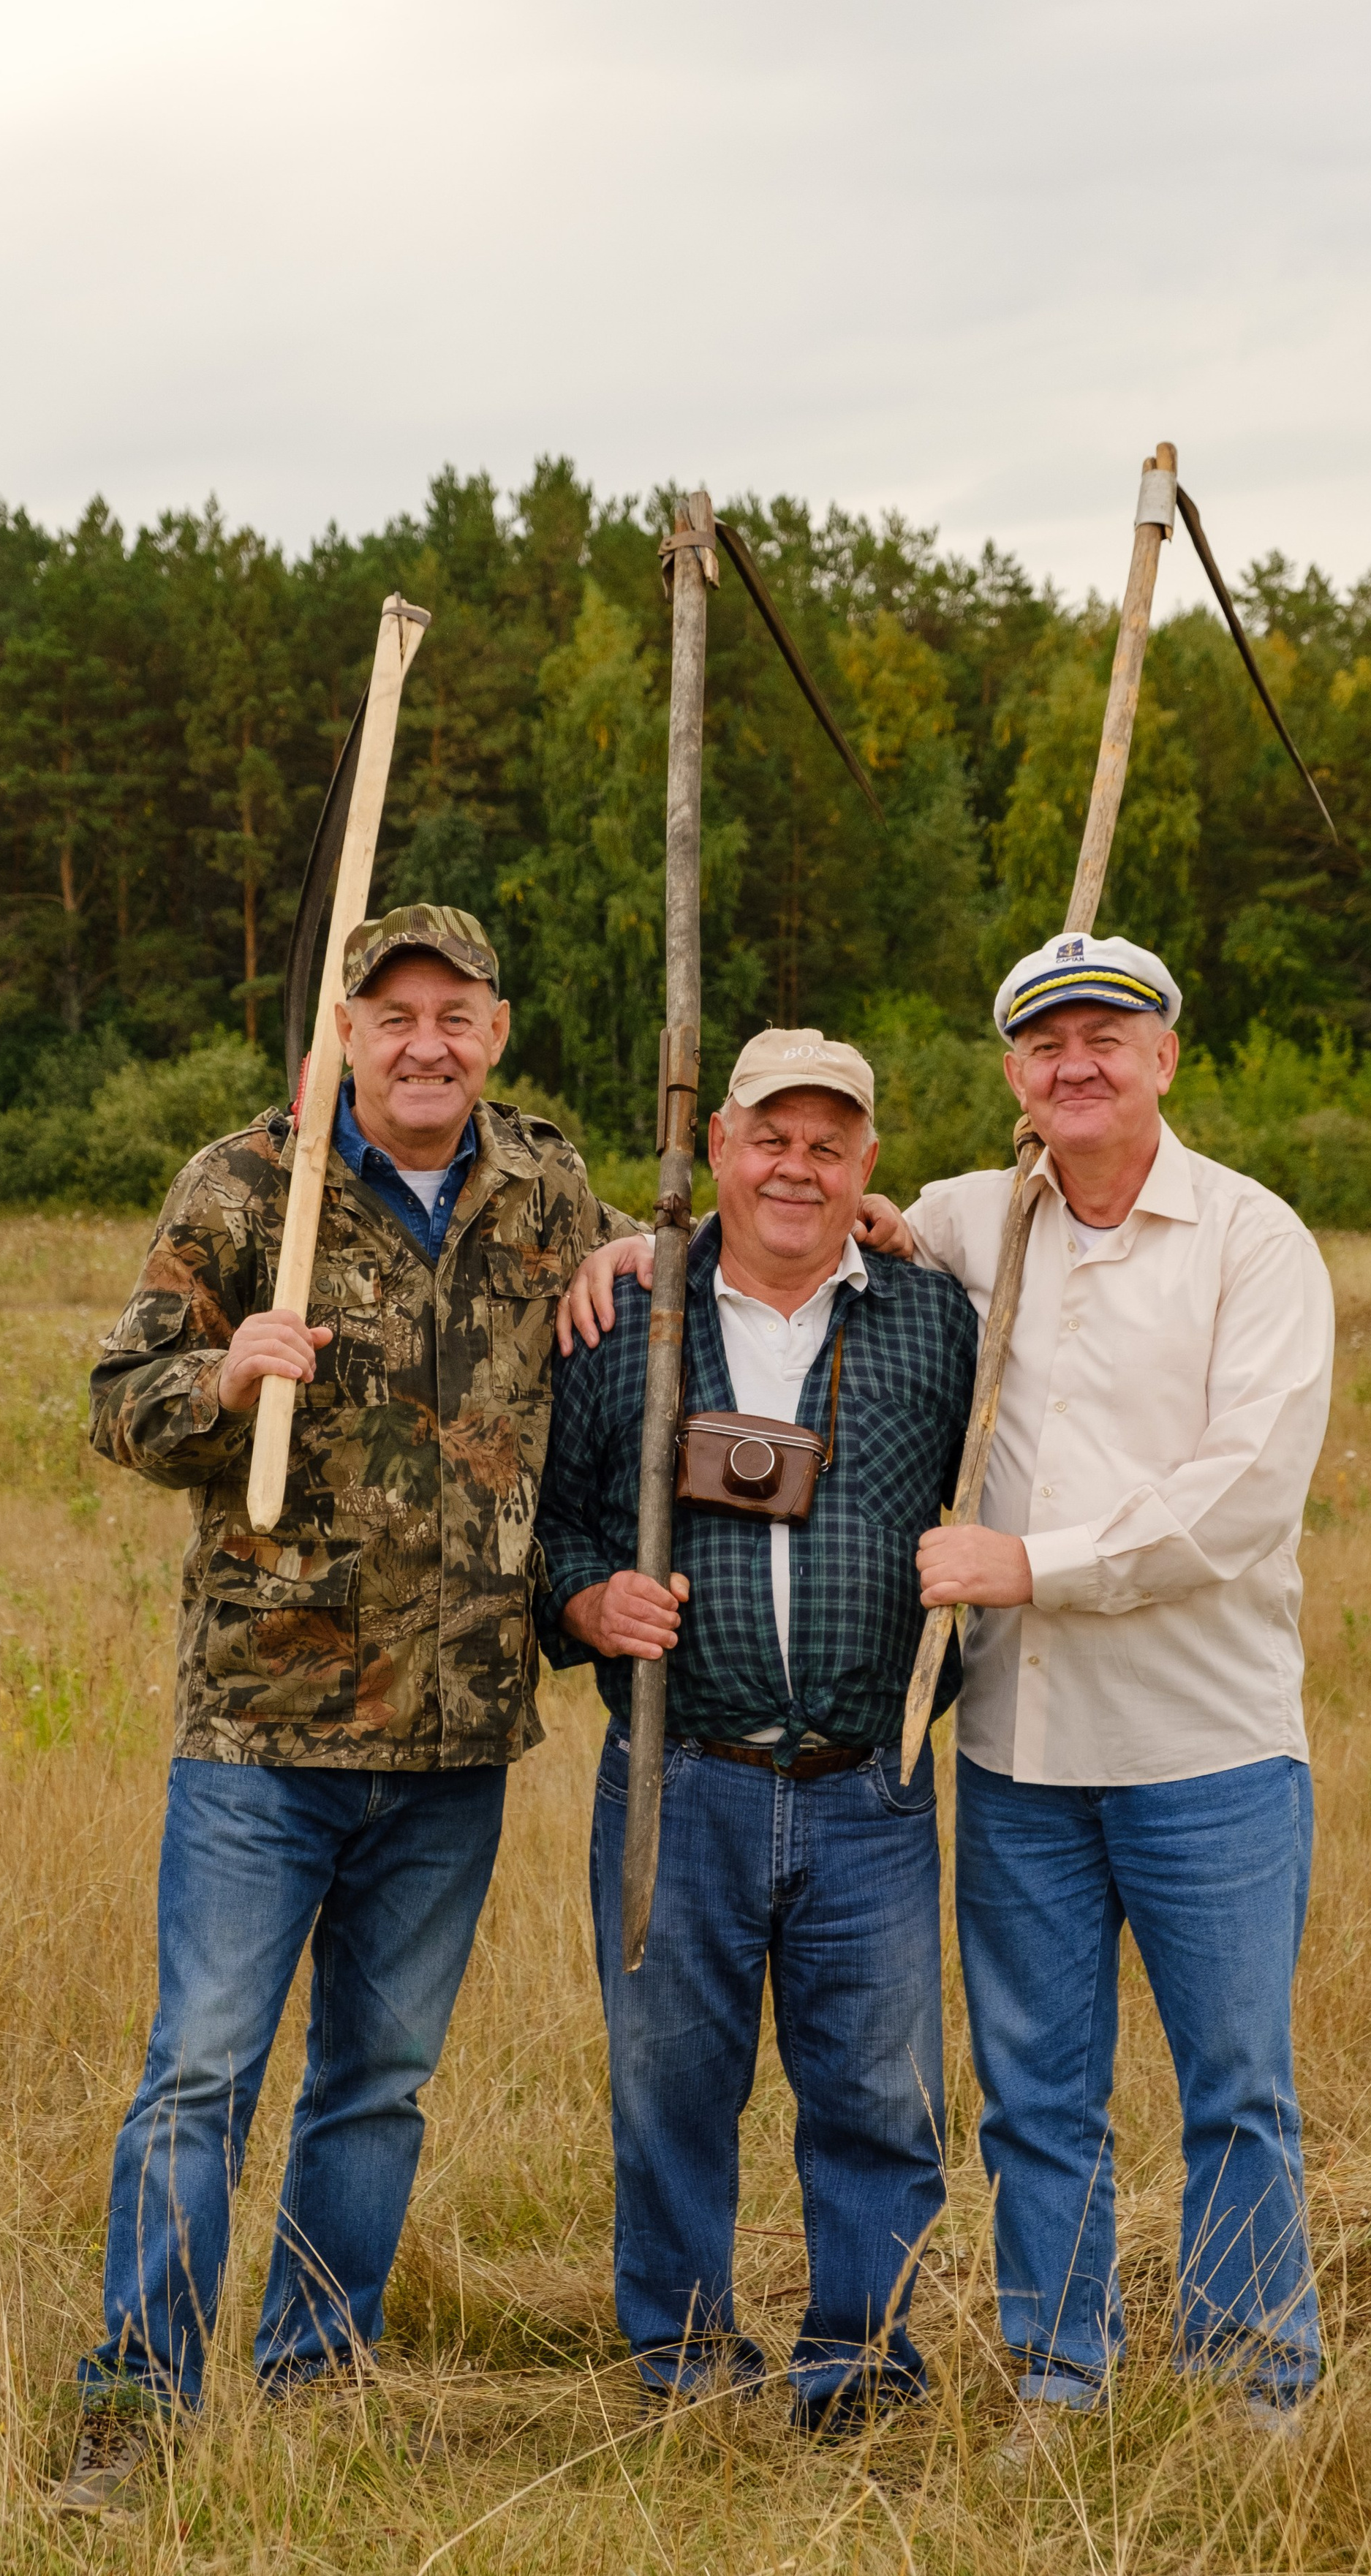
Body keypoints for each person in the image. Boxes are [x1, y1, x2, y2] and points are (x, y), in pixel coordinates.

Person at [52, 903, 637, 2514]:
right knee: (202, 2072)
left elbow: (613, 1353)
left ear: (495, 1031)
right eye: (394, 1017)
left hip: (455, 1738)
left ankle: (315, 2379)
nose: (426, 1041)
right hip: (265, 1732)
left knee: (374, 2086)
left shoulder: (548, 1187)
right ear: (346, 1035)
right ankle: (137, 2406)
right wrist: (220, 1378)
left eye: (454, 1012)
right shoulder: (250, 1186)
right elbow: (119, 1410)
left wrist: (665, 1254)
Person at [880, 934, 1332, 2447]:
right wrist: (636, 1253)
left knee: (1234, 2088)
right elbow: (806, 1218)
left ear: (1164, 1056)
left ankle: (1253, 2380)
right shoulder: (972, 1218)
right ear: (1011, 1075)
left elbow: (1240, 1496)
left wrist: (1034, 1563)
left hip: (1205, 1747)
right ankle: (1062, 2375)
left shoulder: (1249, 1240)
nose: (1074, 1063)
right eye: (1043, 1042)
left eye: (1105, 1036)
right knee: (1034, 2096)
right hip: (1018, 1755)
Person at [537, 1028, 977, 2436]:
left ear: (867, 1167)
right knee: (671, 2098)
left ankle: (858, 2377)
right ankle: (681, 2368)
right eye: (769, 1138)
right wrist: (588, 1603)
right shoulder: (625, 1320)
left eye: (829, 1144)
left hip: (872, 1787)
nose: (798, 1166)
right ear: (716, 1147)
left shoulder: (933, 1317)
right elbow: (553, 1528)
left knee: (880, 2105)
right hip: (682, 1773)